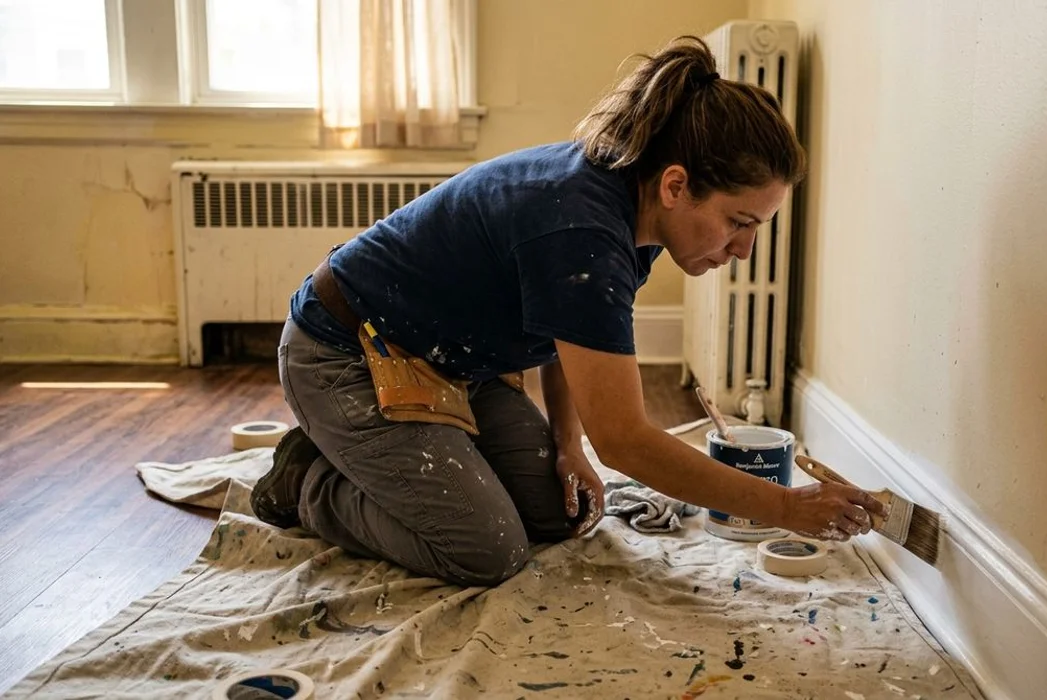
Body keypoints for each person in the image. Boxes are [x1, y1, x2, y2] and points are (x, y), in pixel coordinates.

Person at [251, 35, 884, 587]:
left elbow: (571, 333)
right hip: (348, 353)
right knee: (486, 550)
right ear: (675, 185)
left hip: (451, 365)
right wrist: (787, 508)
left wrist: (567, 445)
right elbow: (629, 442)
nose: (743, 249)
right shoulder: (581, 227)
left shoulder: (628, 211)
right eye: (738, 223)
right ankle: (309, 482)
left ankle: (377, 462)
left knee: (562, 514)